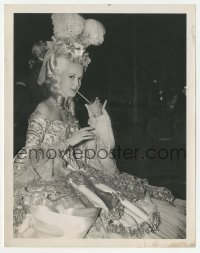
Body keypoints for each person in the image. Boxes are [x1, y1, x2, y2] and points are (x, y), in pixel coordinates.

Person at [13, 13, 186, 239]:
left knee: (132, 204)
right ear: (56, 77)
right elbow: (29, 155)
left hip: (79, 175)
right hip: (53, 185)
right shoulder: (43, 110)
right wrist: (68, 142)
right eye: (72, 77)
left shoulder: (69, 109)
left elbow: (83, 154)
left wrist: (98, 122)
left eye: (80, 78)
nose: (77, 84)